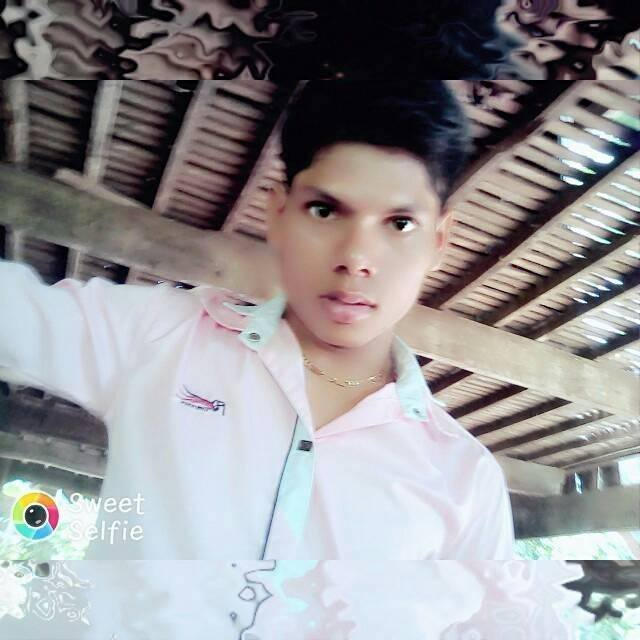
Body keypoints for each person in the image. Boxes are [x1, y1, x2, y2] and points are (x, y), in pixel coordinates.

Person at [0, 81, 514, 568]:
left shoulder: (466, 480)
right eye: (324, 211)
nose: (357, 258)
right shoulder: (161, 337)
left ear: (438, 241)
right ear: (279, 214)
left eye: (400, 223)